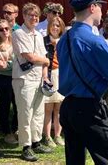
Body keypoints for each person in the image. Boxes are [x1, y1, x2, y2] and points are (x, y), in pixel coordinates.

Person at [57, 0, 108, 165]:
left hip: (69, 106)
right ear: (93, 7)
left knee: (74, 161)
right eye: (100, 6)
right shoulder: (94, 40)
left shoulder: (65, 38)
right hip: (89, 109)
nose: (102, 11)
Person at [12, 3, 52, 162]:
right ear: (24, 16)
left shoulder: (38, 35)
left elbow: (42, 59)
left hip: (38, 79)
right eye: (31, 15)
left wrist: (45, 77)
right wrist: (46, 61)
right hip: (24, 79)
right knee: (25, 114)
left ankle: (36, 142)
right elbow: (30, 56)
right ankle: (26, 146)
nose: (34, 18)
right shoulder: (19, 33)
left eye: (36, 16)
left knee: (38, 112)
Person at [0, 19, 18, 144]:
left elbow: (20, 59)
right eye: (1, 29)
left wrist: (8, 62)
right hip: (2, 79)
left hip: (16, 77)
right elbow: (0, 65)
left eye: (6, 28)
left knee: (19, 105)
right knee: (4, 106)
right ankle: (7, 132)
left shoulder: (16, 42)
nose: (5, 31)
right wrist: (12, 63)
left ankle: (15, 129)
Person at [43, 16, 66, 147]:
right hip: (49, 75)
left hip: (61, 75)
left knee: (59, 109)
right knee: (48, 109)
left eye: (58, 25)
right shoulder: (44, 41)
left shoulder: (64, 41)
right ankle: (47, 136)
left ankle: (57, 135)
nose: (55, 28)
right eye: (53, 25)